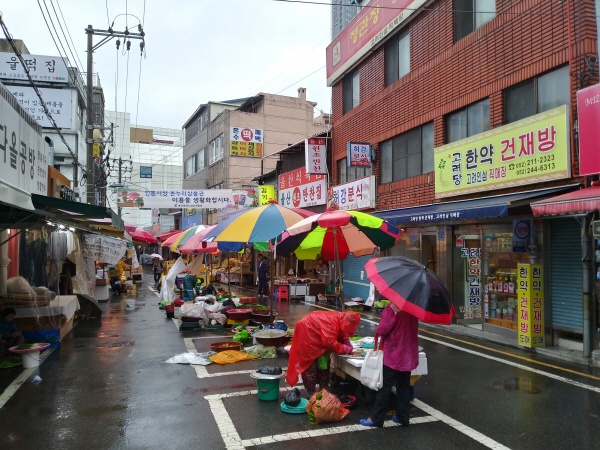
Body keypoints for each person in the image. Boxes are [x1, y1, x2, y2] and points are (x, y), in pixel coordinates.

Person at [360, 304, 418, 428]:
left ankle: (376, 419)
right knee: (404, 387)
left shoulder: (392, 309)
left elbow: (382, 330)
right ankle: (403, 417)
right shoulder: (413, 309)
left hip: (393, 354)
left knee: (385, 387)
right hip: (407, 355)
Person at [286, 311, 360, 397]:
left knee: (324, 366)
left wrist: (344, 340)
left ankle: (323, 391)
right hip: (307, 333)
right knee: (310, 366)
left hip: (319, 337)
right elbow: (329, 342)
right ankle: (311, 393)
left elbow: (341, 331)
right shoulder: (332, 323)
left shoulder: (340, 320)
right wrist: (343, 348)